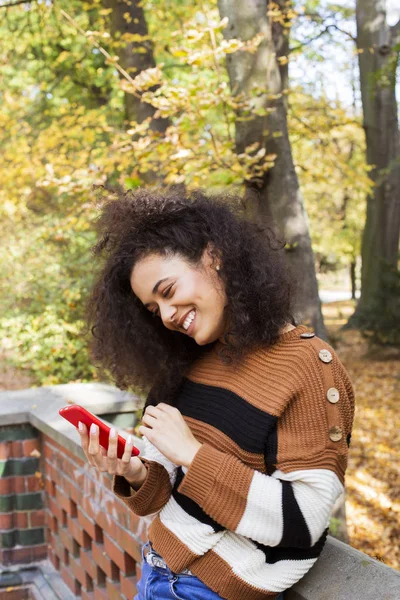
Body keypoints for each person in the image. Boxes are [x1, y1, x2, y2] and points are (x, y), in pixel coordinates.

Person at [77, 188, 354, 600]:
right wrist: (133, 471)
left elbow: (305, 521)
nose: (167, 315)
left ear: (214, 255)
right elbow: (164, 493)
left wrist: (192, 454)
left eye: (167, 291)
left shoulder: (308, 365)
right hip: (156, 573)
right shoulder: (184, 361)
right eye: (154, 309)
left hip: (213, 591)